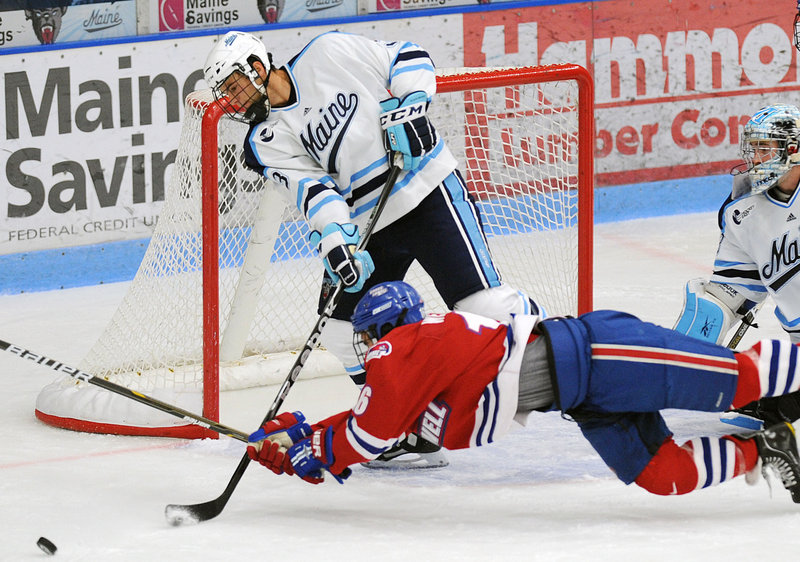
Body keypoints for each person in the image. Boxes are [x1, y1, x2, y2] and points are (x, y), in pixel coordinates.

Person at [203, 31, 538, 467]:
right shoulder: (264, 139)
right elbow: (313, 192)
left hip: (425, 190)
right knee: (343, 334)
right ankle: (407, 424)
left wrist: (410, 106)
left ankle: (561, 363)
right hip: (368, 224)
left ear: (257, 68)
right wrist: (336, 240)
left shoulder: (327, 52)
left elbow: (407, 54)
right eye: (224, 93)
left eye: (232, 86)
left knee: (486, 305)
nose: (230, 101)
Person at [245, 281, 800, 502]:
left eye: (370, 337)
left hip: (597, 352)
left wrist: (313, 451)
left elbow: (367, 436)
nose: (368, 349)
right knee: (664, 475)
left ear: (391, 329)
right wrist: (304, 437)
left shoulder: (407, 347)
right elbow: (369, 422)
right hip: (583, 400)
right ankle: (767, 449)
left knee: (743, 378)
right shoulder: (418, 371)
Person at [673, 104, 800, 429]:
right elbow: (734, 292)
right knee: (746, 395)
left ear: (793, 149)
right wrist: (688, 344)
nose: (755, 157)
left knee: (775, 408)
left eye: (764, 147)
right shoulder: (742, 213)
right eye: (753, 147)